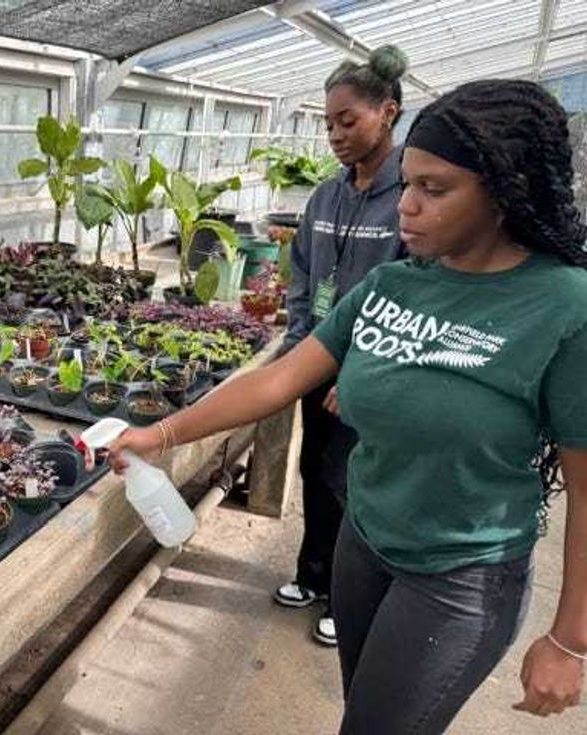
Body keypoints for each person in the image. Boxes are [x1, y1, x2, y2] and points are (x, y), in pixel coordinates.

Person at [110, 79, 587, 733]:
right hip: (362, 543)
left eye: (434, 189)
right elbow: (277, 382)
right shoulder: (392, 284)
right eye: (409, 183)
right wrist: (160, 432)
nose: (406, 207)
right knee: (364, 709)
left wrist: (569, 639)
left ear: (507, 190)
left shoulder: (565, 307)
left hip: (459, 576)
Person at [275, 46, 408, 646]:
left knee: (352, 482)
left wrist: (361, 371)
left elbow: (414, 299)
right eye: (328, 123)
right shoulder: (327, 197)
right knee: (313, 470)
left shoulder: (411, 197)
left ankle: (346, 599)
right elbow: (301, 271)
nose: (334, 134)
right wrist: (302, 342)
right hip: (317, 367)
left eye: (347, 121)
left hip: (372, 379)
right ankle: (312, 573)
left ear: (388, 113)